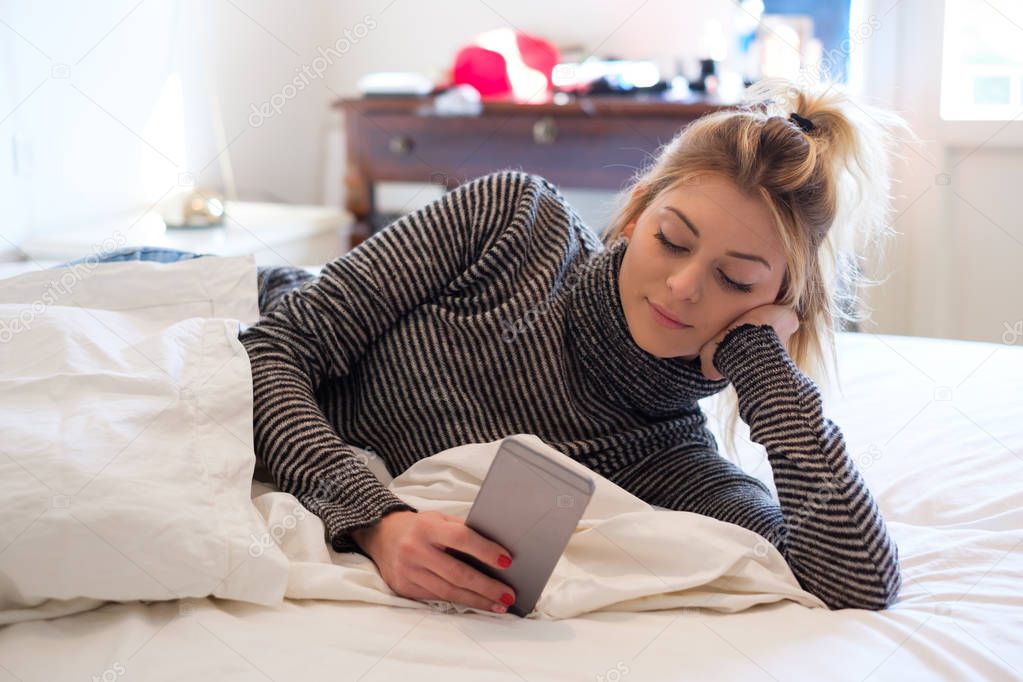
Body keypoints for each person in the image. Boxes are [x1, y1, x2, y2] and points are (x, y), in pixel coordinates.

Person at [69, 77, 908, 615]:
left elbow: (855, 583)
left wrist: (763, 368)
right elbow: (273, 349)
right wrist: (375, 523)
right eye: (673, 238)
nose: (686, 287)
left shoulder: (670, 465)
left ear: (778, 302)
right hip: (190, 311)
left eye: (735, 279)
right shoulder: (515, 220)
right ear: (636, 210)